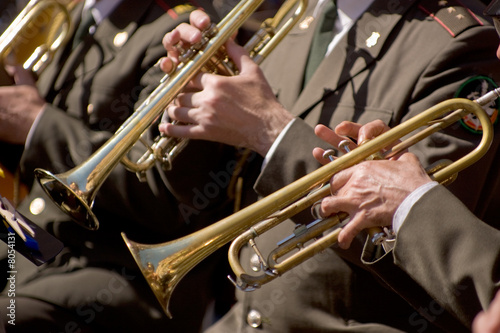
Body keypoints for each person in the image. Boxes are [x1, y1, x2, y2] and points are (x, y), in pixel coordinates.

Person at [158, 0, 500, 331]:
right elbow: (198, 197)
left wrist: (270, 128)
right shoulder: (297, 15)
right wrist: (191, 102)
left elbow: (426, 253)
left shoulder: (460, 42)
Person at [0, 0, 237, 332]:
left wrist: (36, 124)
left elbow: (164, 191)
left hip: (111, 270)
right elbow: (34, 164)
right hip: (37, 240)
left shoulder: (179, 27)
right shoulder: (72, 13)